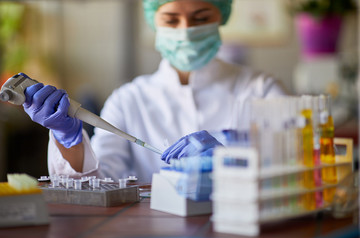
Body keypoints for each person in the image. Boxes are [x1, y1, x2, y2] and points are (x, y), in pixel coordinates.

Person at [22, 0, 286, 183]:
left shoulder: (263, 89)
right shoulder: (128, 99)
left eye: (201, 18)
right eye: (171, 19)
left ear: (222, 15)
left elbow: (296, 166)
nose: (186, 30)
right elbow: (100, 183)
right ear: (154, 21)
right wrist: (68, 140)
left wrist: (232, 155)